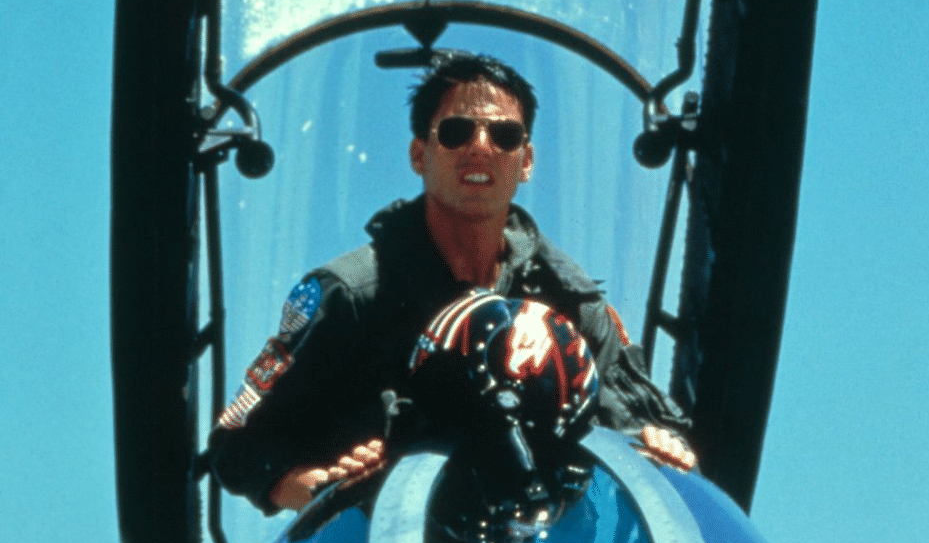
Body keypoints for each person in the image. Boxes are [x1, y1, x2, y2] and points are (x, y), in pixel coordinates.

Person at [208, 51, 697, 514]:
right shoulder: (350, 295)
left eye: (504, 135)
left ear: (526, 161)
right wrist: (320, 486)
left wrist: (657, 444)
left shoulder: (569, 301)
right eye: (456, 132)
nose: (480, 147)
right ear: (419, 154)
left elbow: (636, 422)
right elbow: (237, 442)